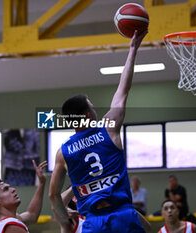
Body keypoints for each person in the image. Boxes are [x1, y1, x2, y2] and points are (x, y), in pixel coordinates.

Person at [49, 29, 148, 233]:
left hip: (93, 222)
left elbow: (53, 195)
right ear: (87, 116)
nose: (96, 111)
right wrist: (132, 50)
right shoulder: (108, 128)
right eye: (92, 107)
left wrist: (65, 219)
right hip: (122, 215)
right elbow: (123, 90)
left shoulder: (63, 153)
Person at [0, 160, 47, 233]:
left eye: (10, 187)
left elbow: (32, 214)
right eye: (6, 189)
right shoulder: (11, 227)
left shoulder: (6, 221)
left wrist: (42, 183)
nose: (13, 189)